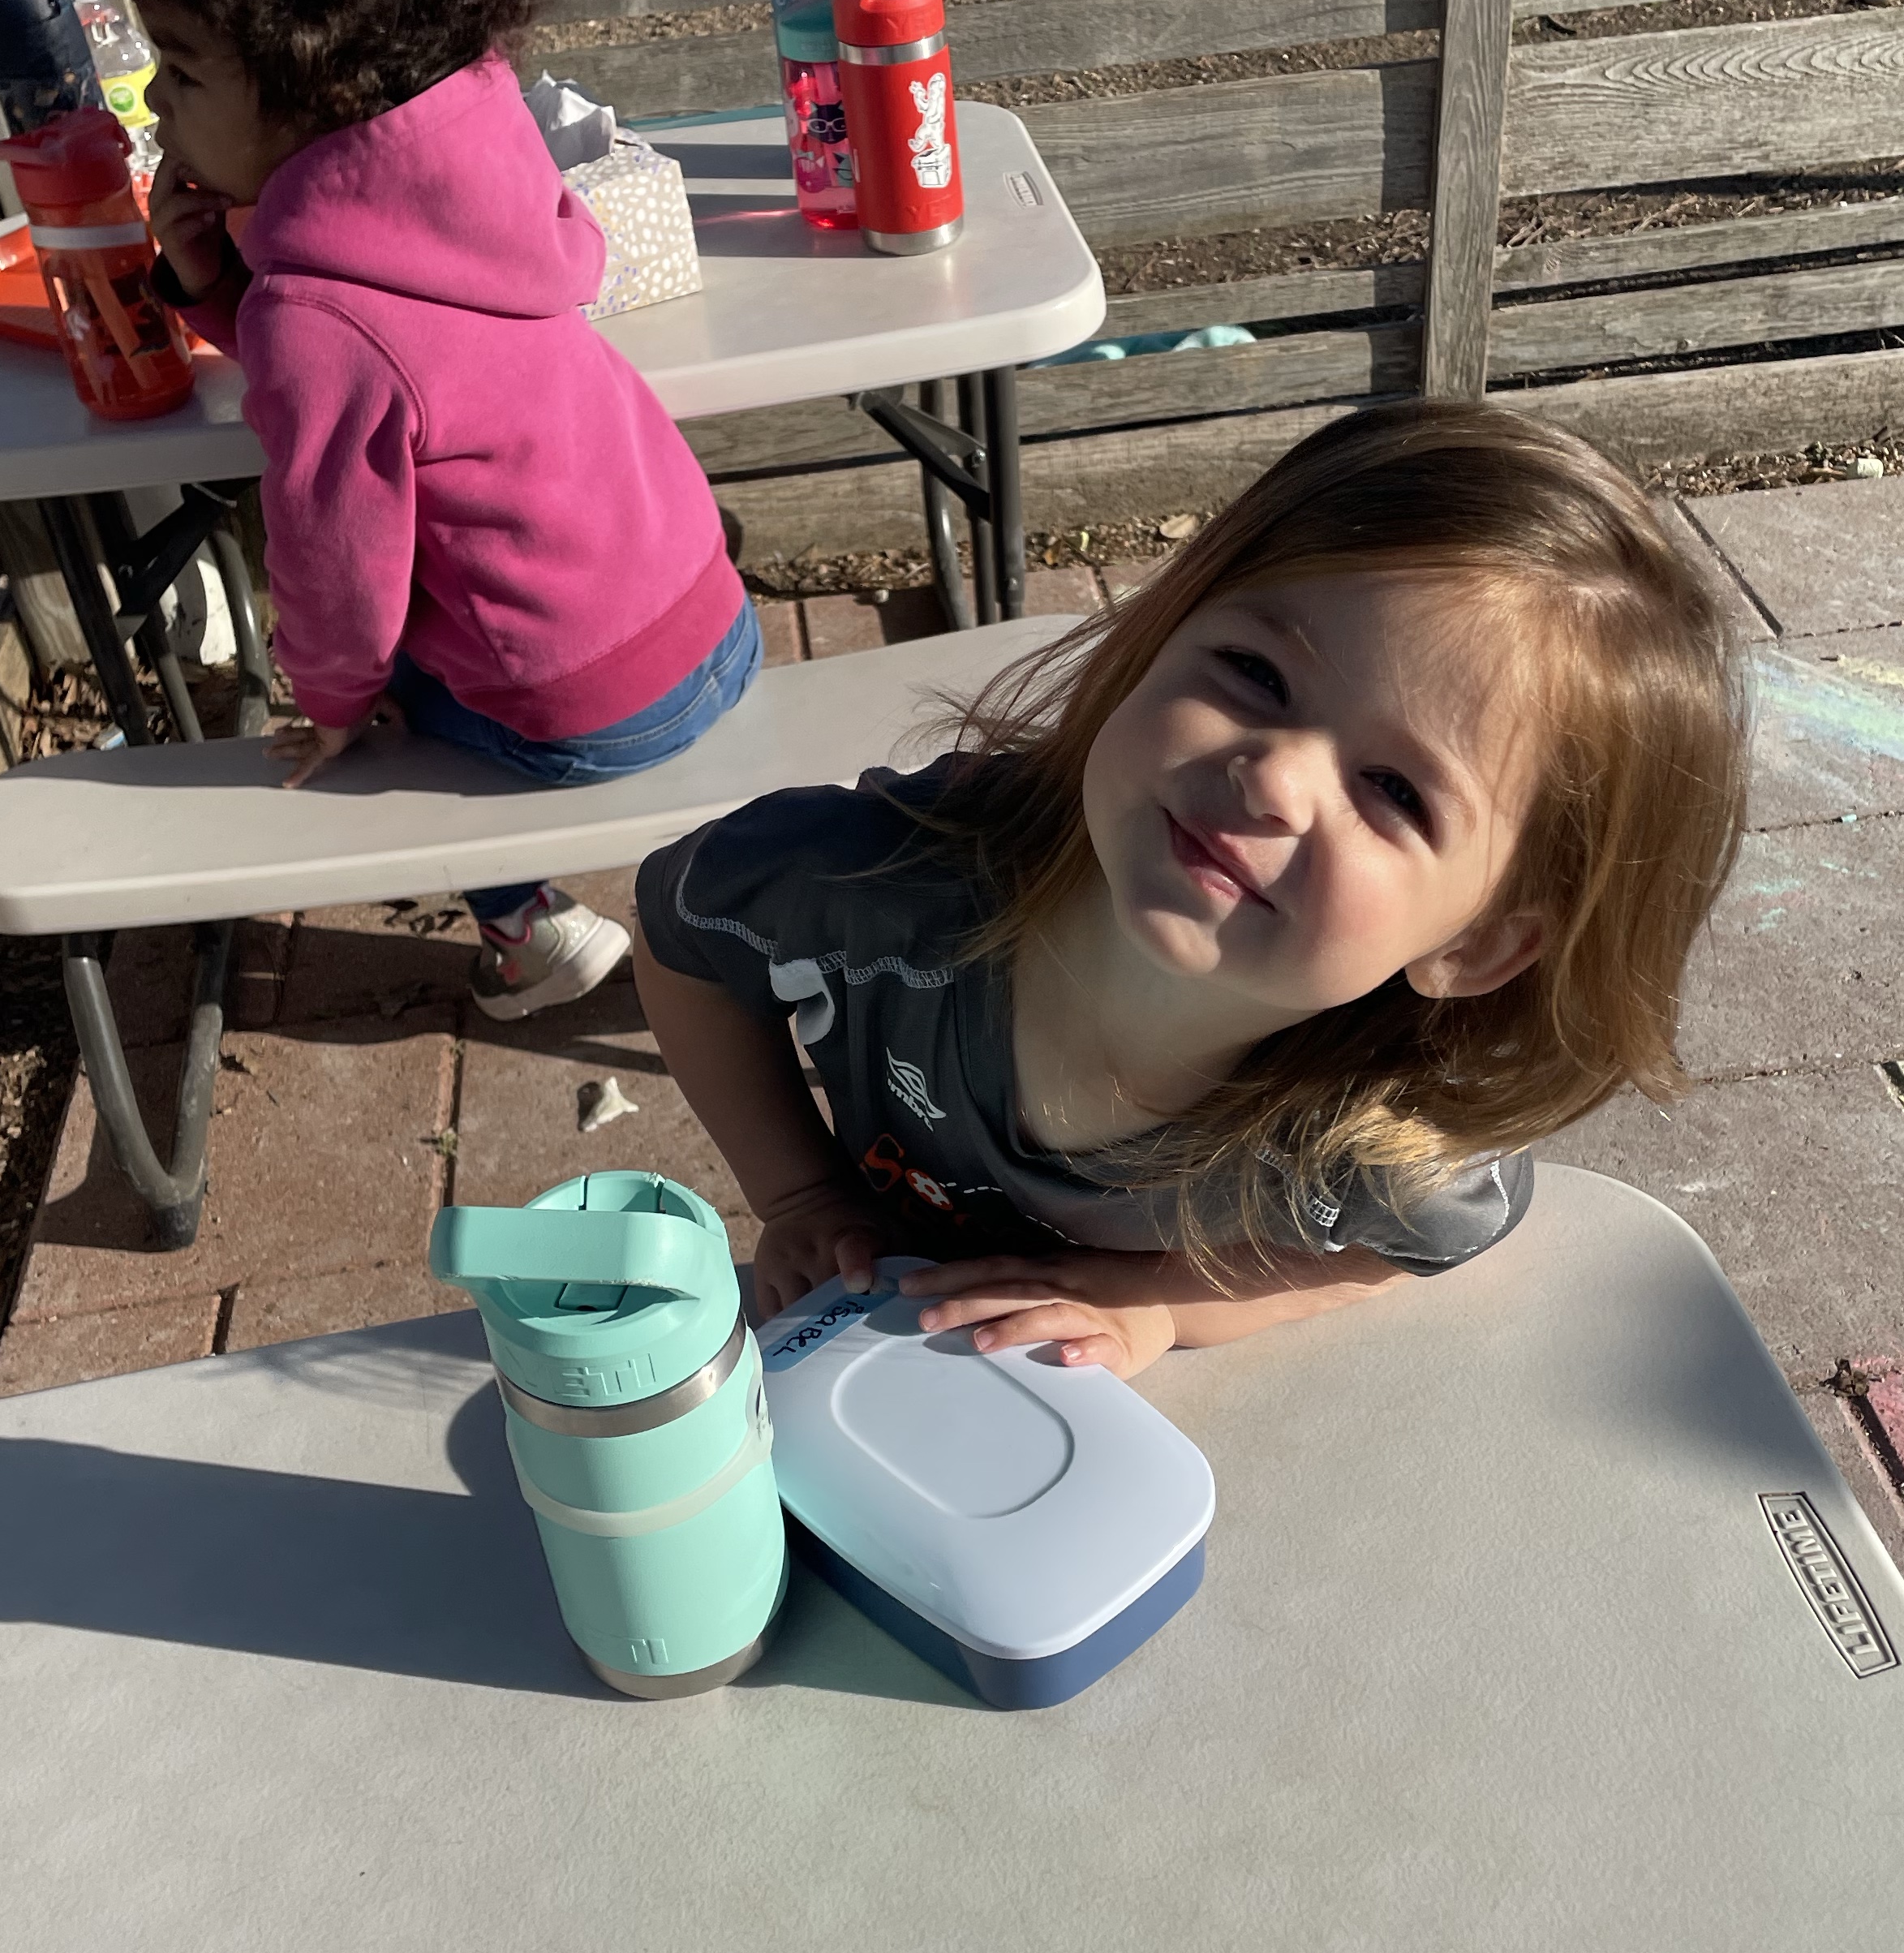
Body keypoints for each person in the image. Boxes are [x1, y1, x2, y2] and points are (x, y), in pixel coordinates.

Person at [630, 400, 1748, 1377]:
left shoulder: (1390, 1134)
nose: (1274, 776)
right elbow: (682, 937)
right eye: (1256, 673)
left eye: (1396, 790)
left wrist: (1160, 1302)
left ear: (1478, 946)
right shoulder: (875, 884)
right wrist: (801, 1195)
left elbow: (1401, 1247)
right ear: (1159, 636)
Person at [86, 0, 756, 1022]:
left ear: (305, 89)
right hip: (714, 616)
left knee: (386, 708)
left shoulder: (316, 320)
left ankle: (526, 930)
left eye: (179, 72)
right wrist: (219, 282)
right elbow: (387, 355)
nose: (153, 107)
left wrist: (334, 707)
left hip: (588, 707)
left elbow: (337, 572)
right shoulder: (485, 158)